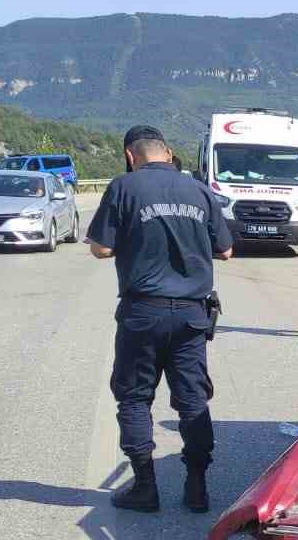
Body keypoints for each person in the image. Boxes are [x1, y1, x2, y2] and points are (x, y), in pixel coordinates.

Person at [87, 125, 232, 514]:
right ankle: (197, 487)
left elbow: (101, 248)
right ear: (167, 153)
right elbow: (227, 249)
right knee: (192, 401)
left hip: (143, 313)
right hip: (191, 315)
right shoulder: (200, 190)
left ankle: (146, 488)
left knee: (134, 397)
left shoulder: (124, 187)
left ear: (131, 156)